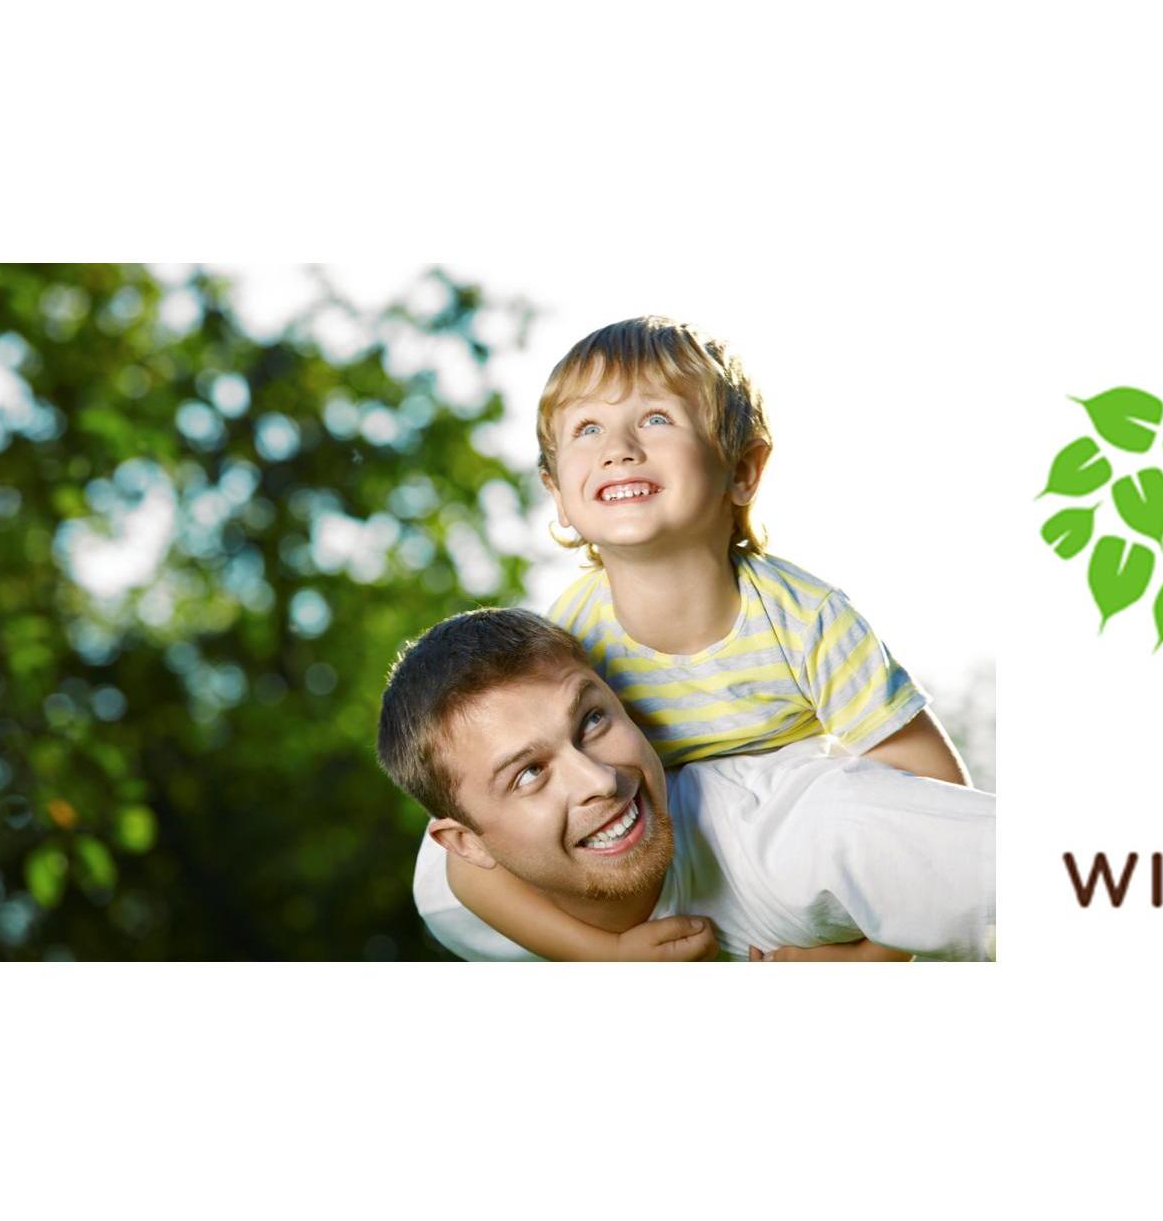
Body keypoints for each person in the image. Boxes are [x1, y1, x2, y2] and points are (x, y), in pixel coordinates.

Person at [428, 315, 973, 961]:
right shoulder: (571, 632)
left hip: (775, 843)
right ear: (557, 491)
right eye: (587, 429)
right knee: (443, 863)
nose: (619, 447)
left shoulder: (805, 617)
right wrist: (606, 958)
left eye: (656, 418)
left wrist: (871, 958)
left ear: (742, 469)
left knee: (875, 818)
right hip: (637, 845)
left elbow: (931, 796)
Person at [378, 608, 995, 961]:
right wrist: (604, 961)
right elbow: (452, 880)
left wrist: (876, 960)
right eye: (530, 773)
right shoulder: (449, 900)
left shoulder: (800, 835)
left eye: (592, 720)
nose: (600, 781)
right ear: (467, 841)